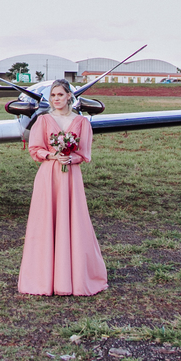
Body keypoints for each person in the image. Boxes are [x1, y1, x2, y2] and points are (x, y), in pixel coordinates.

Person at [18, 78, 109, 296]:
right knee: (46, 222)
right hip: (48, 175)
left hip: (71, 177)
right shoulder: (43, 120)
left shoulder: (82, 122)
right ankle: (44, 279)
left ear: (69, 96)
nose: (56, 99)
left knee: (74, 221)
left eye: (60, 95)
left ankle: (73, 278)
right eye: (53, 95)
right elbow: (35, 149)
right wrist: (52, 155)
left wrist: (71, 158)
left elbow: (84, 153)